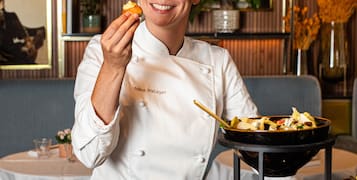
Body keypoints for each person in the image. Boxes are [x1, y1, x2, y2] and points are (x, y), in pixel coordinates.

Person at [71, 0, 258, 179]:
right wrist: (113, 67)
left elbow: (257, 143)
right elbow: (90, 154)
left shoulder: (217, 61)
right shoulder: (102, 50)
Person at [0, 0, 45, 64]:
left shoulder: (11, 17)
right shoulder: (9, 17)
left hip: (16, 59)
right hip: (9, 60)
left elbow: (23, 35)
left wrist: (30, 43)